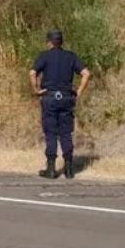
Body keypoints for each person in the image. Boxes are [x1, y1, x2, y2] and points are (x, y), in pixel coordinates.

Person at [30, 30, 91, 179]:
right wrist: (79, 92)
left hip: (49, 97)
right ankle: (69, 170)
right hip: (66, 98)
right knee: (66, 133)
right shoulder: (70, 56)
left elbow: (32, 73)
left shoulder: (44, 56)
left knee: (51, 132)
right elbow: (86, 73)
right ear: (61, 42)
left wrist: (36, 90)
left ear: (49, 42)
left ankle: (51, 169)